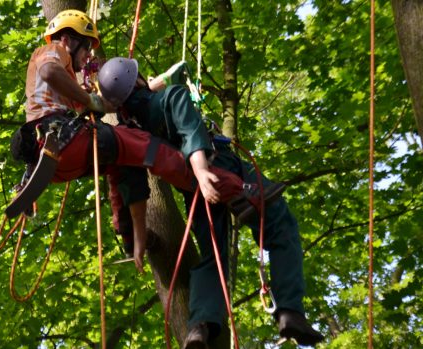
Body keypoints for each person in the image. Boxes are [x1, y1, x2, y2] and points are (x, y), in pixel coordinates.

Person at [12, 9, 282, 275]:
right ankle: (232, 189)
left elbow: (95, 104)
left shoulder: (67, 78)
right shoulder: (54, 51)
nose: (86, 59)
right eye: (85, 50)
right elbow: (50, 73)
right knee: (146, 145)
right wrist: (89, 100)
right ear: (69, 40)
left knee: (120, 166)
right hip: (62, 140)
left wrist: (109, 96)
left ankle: (131, 237)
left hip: (58, 159)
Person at [97, 57, 324, 348]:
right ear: (139, 81)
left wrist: (139, 238)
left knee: (211, 256)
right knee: (280, 223)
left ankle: (199, 327)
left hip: (192, 191)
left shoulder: (130, 136)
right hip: (222, 171)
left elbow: (134, 189)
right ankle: (290, 310)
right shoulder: (171, 96)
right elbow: (191, 130)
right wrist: (204, 173)